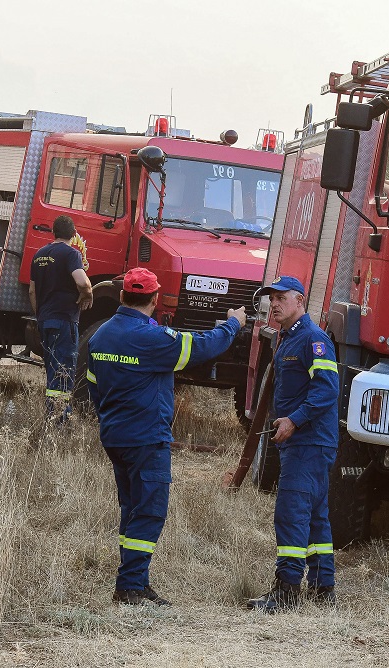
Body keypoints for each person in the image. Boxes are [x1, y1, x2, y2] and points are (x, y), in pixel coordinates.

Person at [87, 267, 246, 607]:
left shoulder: (100, 336)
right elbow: (202, 347)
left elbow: (93, 387)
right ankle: (131, 587)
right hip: (146, 439)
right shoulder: (152, 339)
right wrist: (234, 324)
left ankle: (131, 583)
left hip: (115, 436)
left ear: (121, 296)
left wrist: (110, 419)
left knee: (132, 509)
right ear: (156, 299)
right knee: (149, 511)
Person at [246, 275, 339, 614]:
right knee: (315, 518)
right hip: (305, 445)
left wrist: (293, 419)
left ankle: (286, 591)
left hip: (308, 443)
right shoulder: (290, 338)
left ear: (299, 300)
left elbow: (327, 389)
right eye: (271, 298)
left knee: (291, 514)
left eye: (281, 297)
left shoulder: (313, 340)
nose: (274, 304)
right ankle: (322, 588)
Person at [29, 215, 93, 421]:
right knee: (64, 370)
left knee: (52, 368)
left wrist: (40, 316)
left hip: (45, 321)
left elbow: (32, 291)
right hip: (64, 321)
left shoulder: (38, 255)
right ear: (74, 235)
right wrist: (88, 294)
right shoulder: (71, 254)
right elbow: (82, 282)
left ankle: (51, 414)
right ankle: (59, 420)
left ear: (53, 233)